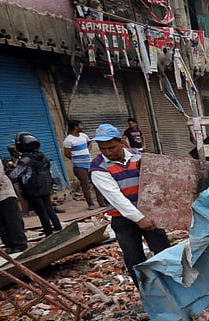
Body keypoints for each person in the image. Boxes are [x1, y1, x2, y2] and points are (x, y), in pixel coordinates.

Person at [89, 124, 169, 286]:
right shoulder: (98, 168)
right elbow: (116, 198)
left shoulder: (138, 156)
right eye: (103, 149)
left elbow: (157, 180)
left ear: (121, 142)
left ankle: (172, 286)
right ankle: (146, 292)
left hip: (148, 213)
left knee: (164, 252)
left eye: (111, 147)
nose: (107, 152)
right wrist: (139, 218)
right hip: (123, 219)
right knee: (134, 259)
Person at [13, 132, 61, 237]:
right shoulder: (42, 157)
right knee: (49, 210)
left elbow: (14, 175)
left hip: (33, 190)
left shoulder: (26, 160)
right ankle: (58, 229)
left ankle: (49, 233)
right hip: (45, 187)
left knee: (42, 212)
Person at [63, 120, 105, 210]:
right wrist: (77, 158)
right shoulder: (68, 140)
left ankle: (101, 202)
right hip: (79, 166)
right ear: (75, 127)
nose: (81, 126)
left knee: (96, 182)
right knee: (85, 185)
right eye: (80, 125)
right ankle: (91, 204)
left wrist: (87, 151)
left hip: (89, 163)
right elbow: (67, 154)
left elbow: (89, 143)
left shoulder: (84, 136)